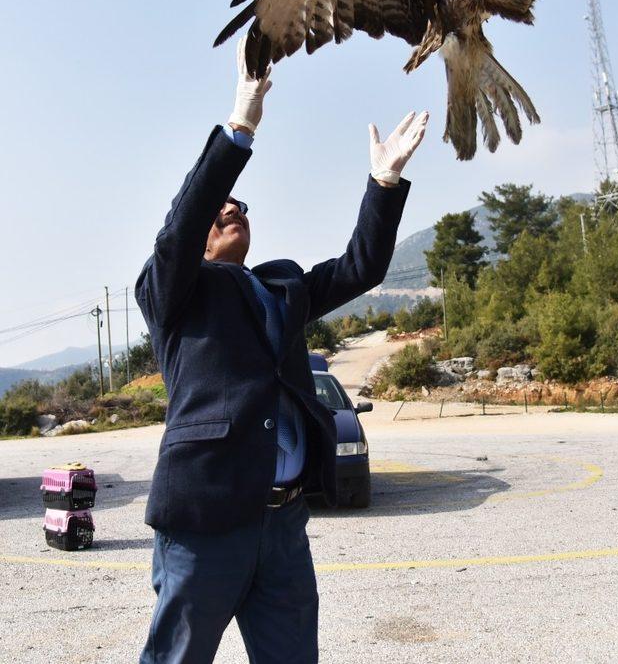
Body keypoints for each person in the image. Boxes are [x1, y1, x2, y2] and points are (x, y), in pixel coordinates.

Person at [137, 37, 428, 664]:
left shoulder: (283, 284)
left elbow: (360, 267)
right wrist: (239, 126)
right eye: (218, 208)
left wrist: (383, 181)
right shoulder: (172, 292)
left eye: (238, 205)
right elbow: (179, 228)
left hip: (285, 524)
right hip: (207, 521)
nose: (230, 210)